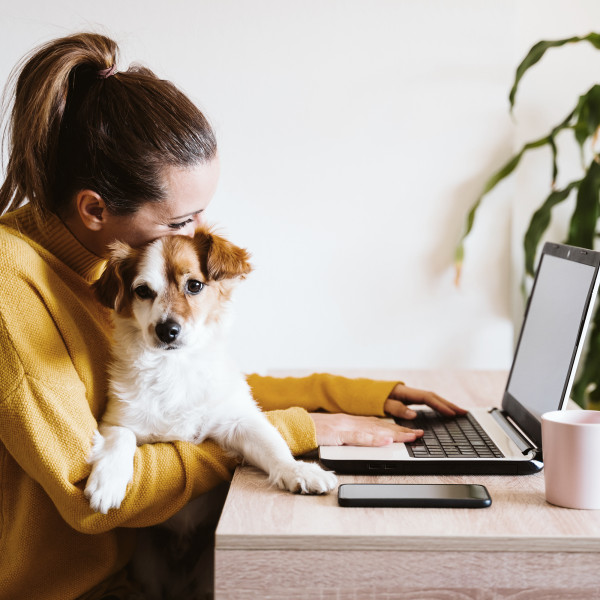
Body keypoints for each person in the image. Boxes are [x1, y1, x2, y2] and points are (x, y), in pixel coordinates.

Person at [0, 32, 465, 600]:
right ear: (95, 208)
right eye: (181, 221)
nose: (194, 238)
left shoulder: (102, 262)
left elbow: (192, 389)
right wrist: (295, 432)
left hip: (133, 569)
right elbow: (86, 495)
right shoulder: (14, 290)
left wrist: (350, 395)